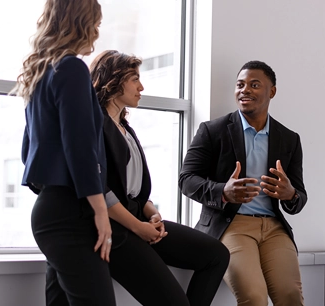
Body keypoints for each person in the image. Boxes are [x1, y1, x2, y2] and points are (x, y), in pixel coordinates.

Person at [89, 50, 230, 306]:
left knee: (216, 254)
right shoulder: (95, 124)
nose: (141, 87)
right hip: (116, 229)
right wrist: (138, 226)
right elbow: (101, 191)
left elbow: (134, 188)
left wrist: (153, 214)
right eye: (135, 79)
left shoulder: (124, 127)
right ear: (114, 79)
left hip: (138, 217)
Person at [179, 60, 307, 306]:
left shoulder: (289, 139)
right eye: (240, 84)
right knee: (254, 297)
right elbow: (186, 180)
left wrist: (290, 194)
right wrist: (222, 192)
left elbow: (298, 196)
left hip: (273, 229)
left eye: (254, 84)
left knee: (290, 296)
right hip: (231, 226)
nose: (244, 90)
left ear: (272, 91)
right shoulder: (212, 131)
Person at [13, 0, 116, 305]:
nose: (96, 35)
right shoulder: (72, 67)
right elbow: (79, 147)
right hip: (70, 212)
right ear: (80, 24)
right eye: (95, 25)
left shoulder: (42, 71)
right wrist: (101, 211)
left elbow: (27, 150)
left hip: (50, 209)